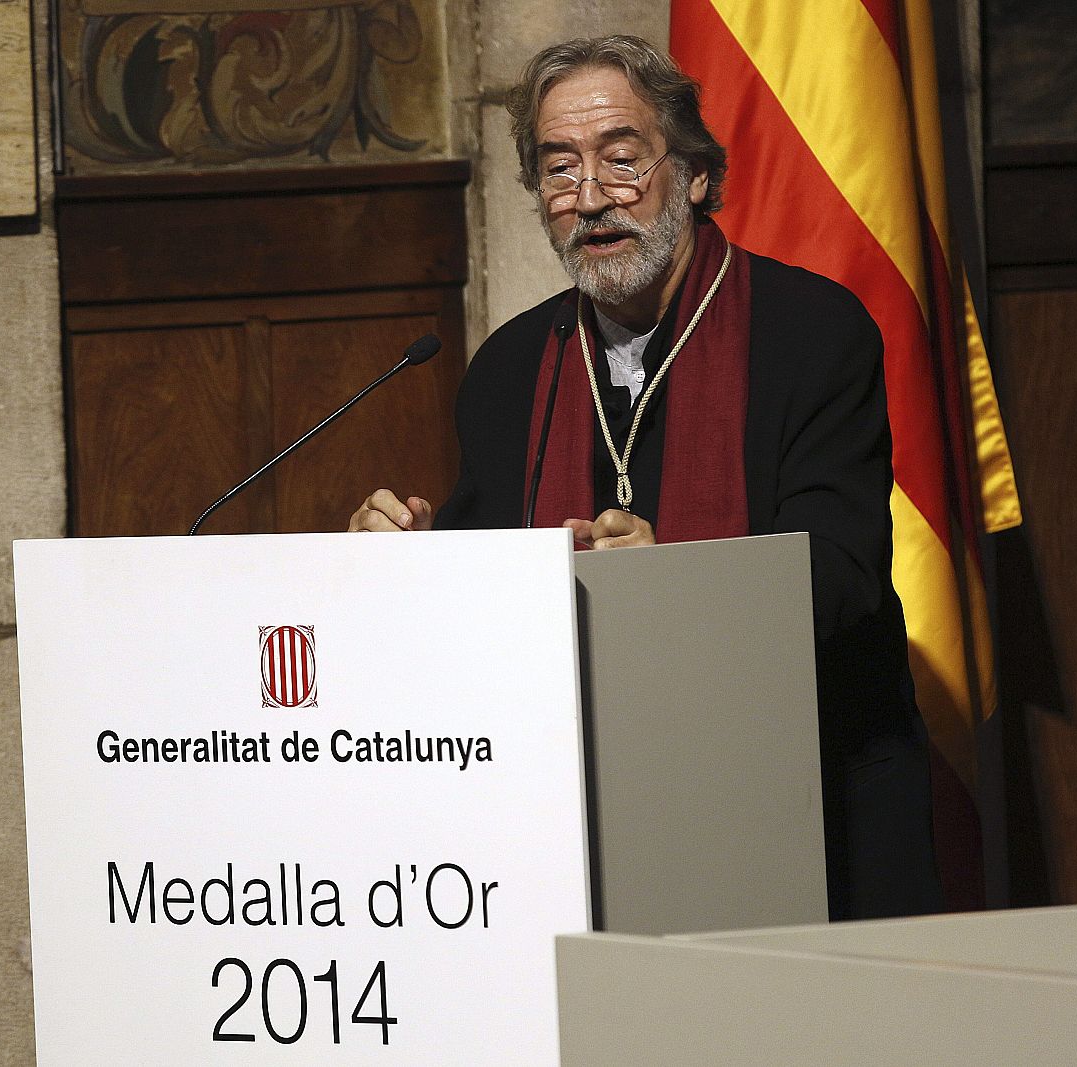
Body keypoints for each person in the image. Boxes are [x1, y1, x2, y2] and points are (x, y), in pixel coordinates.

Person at [347, 34, 944, 920]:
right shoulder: (511, 369)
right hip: (579, 813)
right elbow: (489, 592)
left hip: (809, 800)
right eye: (559, 170)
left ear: (696, 175)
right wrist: (406, 558)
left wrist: (679, 583)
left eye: (621, 161)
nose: (590, 198)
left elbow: (844, 577)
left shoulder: (814, 333)